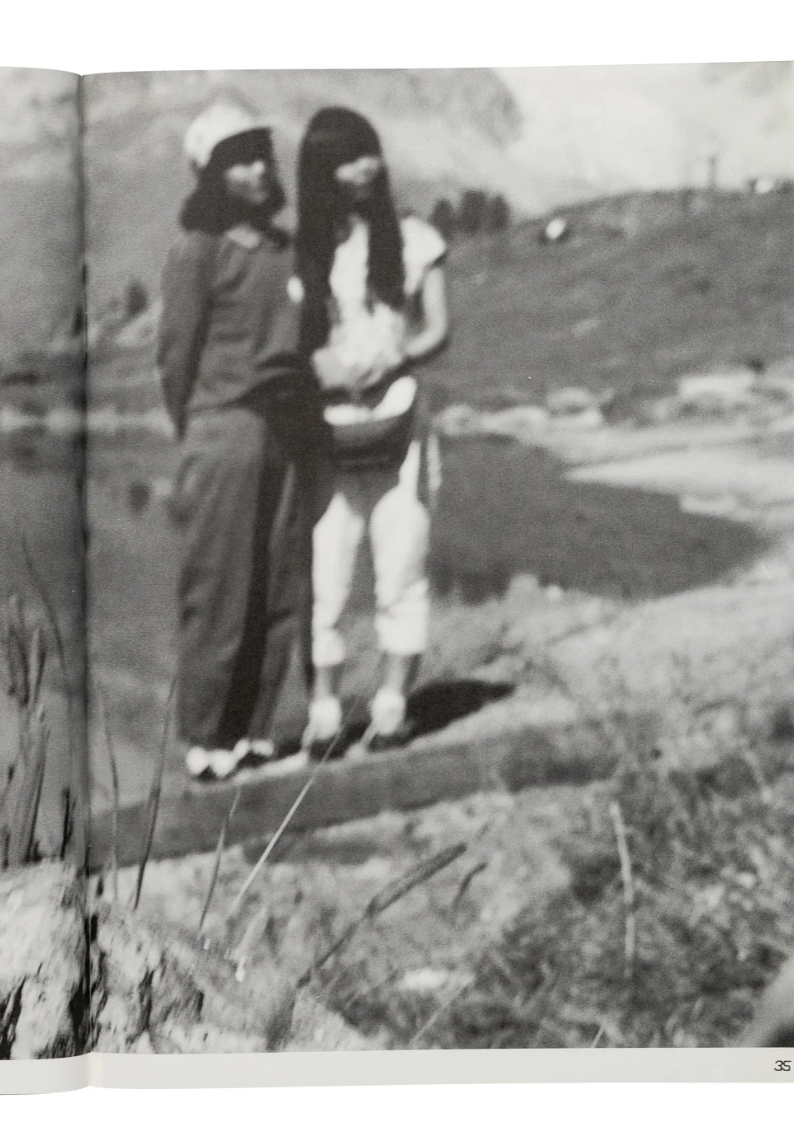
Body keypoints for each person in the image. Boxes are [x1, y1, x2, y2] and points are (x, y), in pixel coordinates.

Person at [157, 101, 321, 782]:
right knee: (218, 590)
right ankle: (206, 737)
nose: (258, 170)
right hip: (225, 431)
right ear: (212, 175)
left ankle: (253, 729)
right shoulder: (197, 252)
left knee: (279, 584)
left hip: (287, 432)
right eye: (240, 161)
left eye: (262, 156)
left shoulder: (285, 249)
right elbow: (176, 358)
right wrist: (203, 428)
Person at [294, 107, 450, 752]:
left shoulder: (414, 239)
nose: (362, 168)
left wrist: (395, 359)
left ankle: (390, 709)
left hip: (399, 423)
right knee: (325, 574)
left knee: (402, 565)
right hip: (327, 429)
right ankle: (324, 714)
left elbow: (438, 328)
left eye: (368, 153)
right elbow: (290, 340)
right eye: (345, 159)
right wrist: (318, 366)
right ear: (320, 171)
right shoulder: (304, 250)